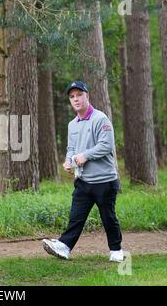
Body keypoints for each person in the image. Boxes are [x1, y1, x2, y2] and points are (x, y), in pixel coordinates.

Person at [42, 81, 124, 262]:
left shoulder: (100, 119)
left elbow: (106, 145)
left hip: (104, 181)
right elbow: (71, 147)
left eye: (79, 95)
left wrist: (85, 156)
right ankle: (64, 247)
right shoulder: (73, 124)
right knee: (76, 217)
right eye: (72, 97)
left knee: (108, 217)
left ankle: (116, 250)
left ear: (87, 96)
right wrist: (68, 161)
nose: (76, 99)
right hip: (83, 181)